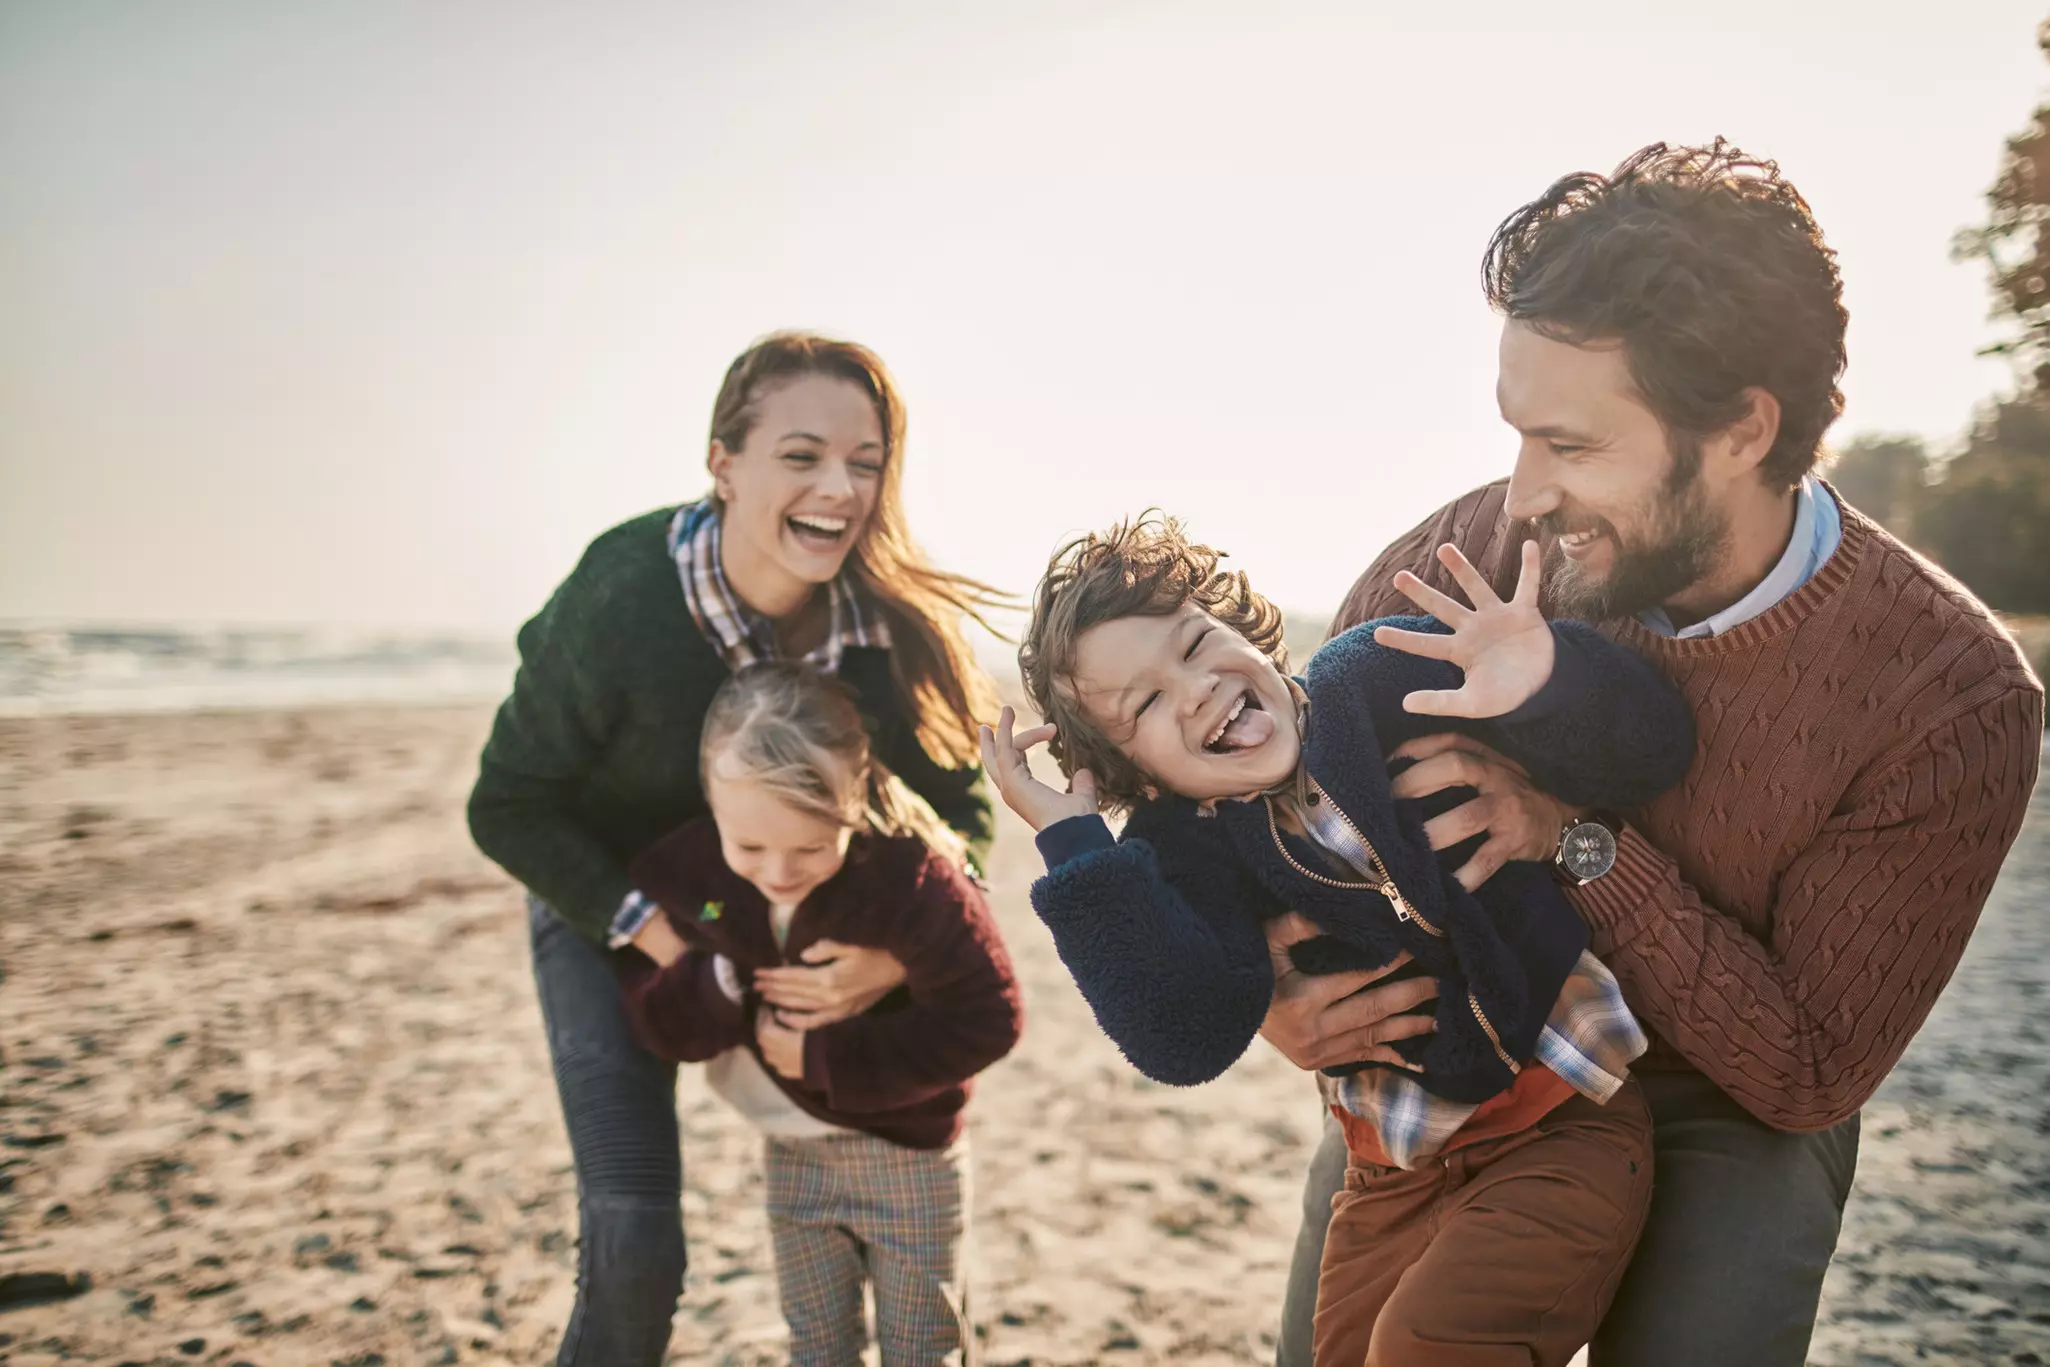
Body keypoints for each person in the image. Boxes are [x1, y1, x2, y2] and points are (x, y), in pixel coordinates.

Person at [1268, 140, 2045, 1367]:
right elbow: (1285, 812)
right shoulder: (1468, 552)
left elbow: (1806, 1068)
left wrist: (1575, 843)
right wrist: (1281, 992)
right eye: (1519, 433)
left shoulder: (1947, 695)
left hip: (1729, 1090)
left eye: (1572, 446)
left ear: (1741, 429)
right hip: (1474, 1029)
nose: (1521, 495)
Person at [980, 513, 1696, 1364]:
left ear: (1241, 627)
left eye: (1194, 643)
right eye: (1147, 702)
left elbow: (1655, 745)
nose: (1196, 688)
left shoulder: (1374, 677)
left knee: (1428, 1345)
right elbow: (1182, 1033)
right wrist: (1075, 846)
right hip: (1391, 1167)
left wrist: (1542, 675)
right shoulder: (1184, 853)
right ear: (1137, 777)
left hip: (1561, 1117)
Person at [467, 331, 1003, 1366]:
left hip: (791, 924)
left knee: (903, 1260)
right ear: (723, 463)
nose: (838, 487)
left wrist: (896, 956)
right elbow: (508, 803)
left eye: (865, 460)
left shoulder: (891, 624)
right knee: (635, 1236)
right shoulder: (622, 594)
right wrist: (663, 938)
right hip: (609, 905)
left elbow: (957, 817)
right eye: (800, 455)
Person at [617, 661, 1021, 1365]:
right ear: (711, 801)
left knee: (924, 1347)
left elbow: (990, 1013)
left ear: (856, 794)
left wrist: (827, 1059)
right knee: (817, 1345)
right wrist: (711, 981)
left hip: (912, 1157)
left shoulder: (912, 879)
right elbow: (656, 1020)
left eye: (809, 845)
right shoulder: (699, 880)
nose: (777, 871)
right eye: (749, 846)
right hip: (791, 1155)